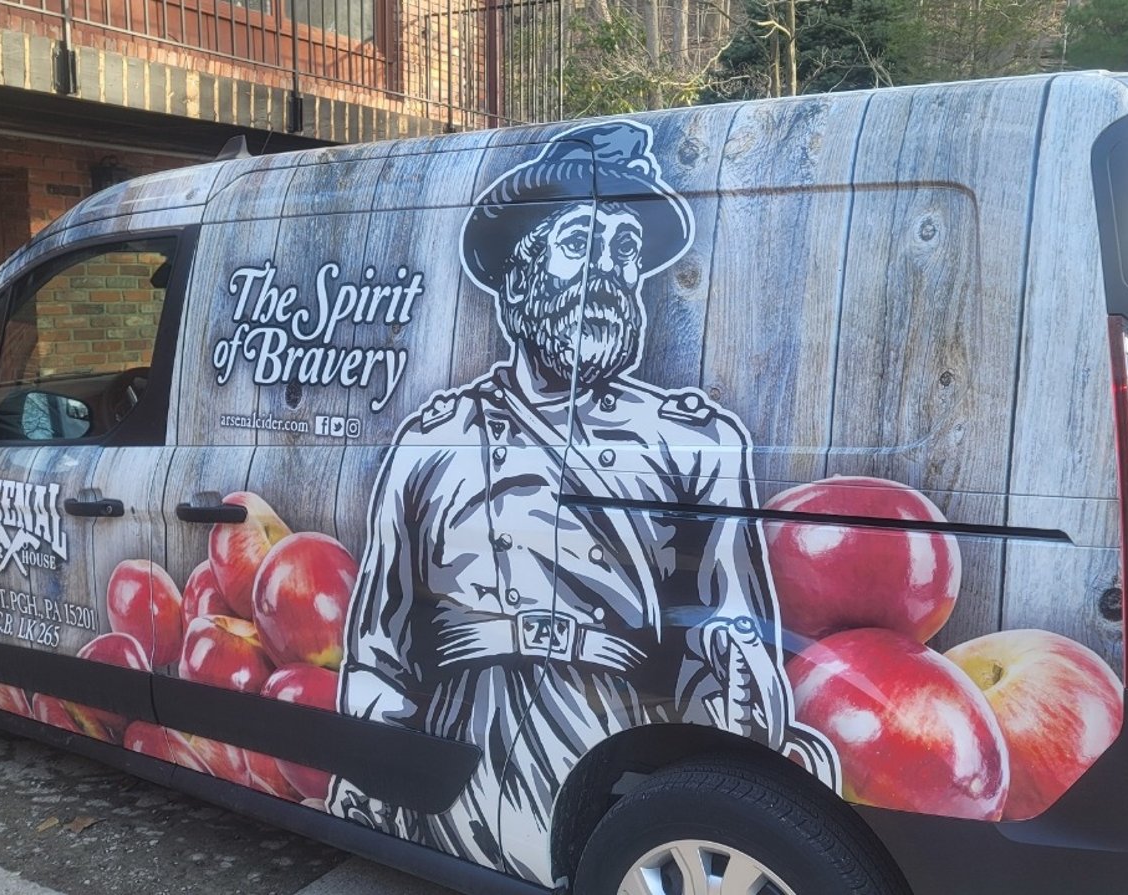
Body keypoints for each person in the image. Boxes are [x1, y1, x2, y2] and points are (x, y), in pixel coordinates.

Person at [327, 120, 838, 885]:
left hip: (617, 744)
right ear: (520, 274)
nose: (609, 269)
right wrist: (380, 773)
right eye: (579, 245)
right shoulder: (432, 441)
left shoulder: (691, 442)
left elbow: (730, 639)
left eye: (625, 252)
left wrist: (738, 779)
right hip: (458, 765)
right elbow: (379, 645)